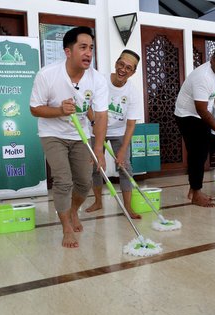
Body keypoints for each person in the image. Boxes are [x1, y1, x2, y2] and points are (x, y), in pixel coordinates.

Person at [30, 26, 108, 248]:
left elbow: (101, 116)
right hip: (52, 133)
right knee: (63, 180)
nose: (88, 53)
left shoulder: (97, 80)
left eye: (91, 48)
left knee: (83, 182)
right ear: (68, 51)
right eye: (83, 47)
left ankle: (74, 210)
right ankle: (66, 227)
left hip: (80, 134)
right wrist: (59, 111)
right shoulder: (47, 75)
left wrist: (99, 150)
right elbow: (35, 109)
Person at [174, 42, 215, 207]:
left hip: (202, 113)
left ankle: (193, 190)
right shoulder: (202, 76)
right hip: (187, 114)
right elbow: (201, 109)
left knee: (203, 150)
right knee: (198, 152)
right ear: (213, 58)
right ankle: (196, 193)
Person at [85, 49, 143, 219]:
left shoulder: (133, 92)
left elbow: (131, 124)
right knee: (96, 167)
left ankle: (128, 207)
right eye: (121, 64)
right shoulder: (100, 80)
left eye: (129, 68)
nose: (123, 69)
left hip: (119, 131)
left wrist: (123, 150)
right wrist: (95, 124)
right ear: (116, 63)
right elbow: (86, 103)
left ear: (133, 72)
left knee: (125, 168)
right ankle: (97, 202)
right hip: (96, 128)